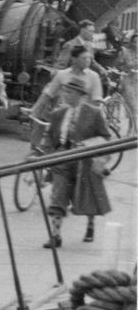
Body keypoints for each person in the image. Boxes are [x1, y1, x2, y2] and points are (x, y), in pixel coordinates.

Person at [40, 76, 112, 249]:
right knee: (58, 194)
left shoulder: (94, 113)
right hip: (62, 159)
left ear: (81, 95)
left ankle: (90, 225)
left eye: (70, 92)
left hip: (85, 161)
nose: (65, 94)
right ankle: (56, 236)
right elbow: (49, 137)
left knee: (88, 195)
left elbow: (106, 136)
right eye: (64, 90)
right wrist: (48, 155)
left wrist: (87, 144)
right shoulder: (58, 114)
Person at [29, 45, 103, 127]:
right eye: (84, 58)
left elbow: (97, 102)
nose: (87, 61)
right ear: (74, 59)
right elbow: (48, 94)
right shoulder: (62, 75)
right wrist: (34, 111)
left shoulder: (94, 77)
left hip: (82, 119)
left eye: (89, 58)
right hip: (63, 116)